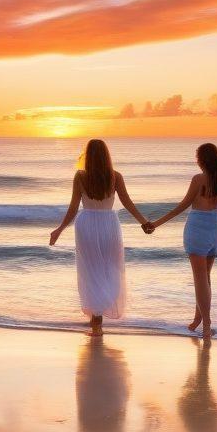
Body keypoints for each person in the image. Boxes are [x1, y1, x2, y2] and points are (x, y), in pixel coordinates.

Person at [49, 139, 150, 336]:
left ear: (88, 155)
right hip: (109, 224)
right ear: (106, 155)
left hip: (86, 224)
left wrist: (59, 229)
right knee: (110, 268)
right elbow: (127, 202)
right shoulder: (115, 177)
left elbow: (73, 207)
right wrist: (143, 222)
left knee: (90, 270)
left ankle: (96, 320)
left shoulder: (80, 177)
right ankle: (99, 315)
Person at [146, 143, 217, 338]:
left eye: (198, 157)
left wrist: (156, 224)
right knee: (206, 279)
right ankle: (197, 320)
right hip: (216, 231)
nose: (196, 160)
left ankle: (206, 326)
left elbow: (182, 206)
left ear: (202, 159)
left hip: (197, 230)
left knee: (200, 279)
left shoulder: (198, 179)